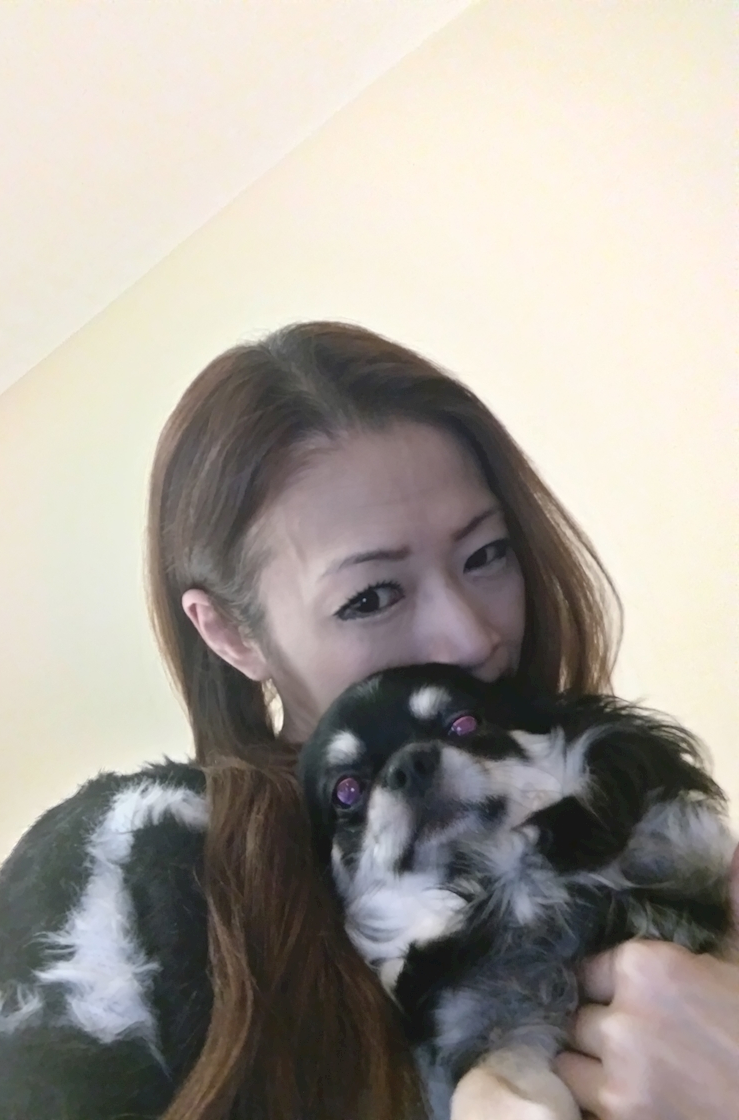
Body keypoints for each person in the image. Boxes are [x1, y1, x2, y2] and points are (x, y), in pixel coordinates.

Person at [147, 320, 739, 1120]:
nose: (468, 637)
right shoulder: (146, 876)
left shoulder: (646, 815)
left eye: (485, 553)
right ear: (230, 633)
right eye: (371, 596)